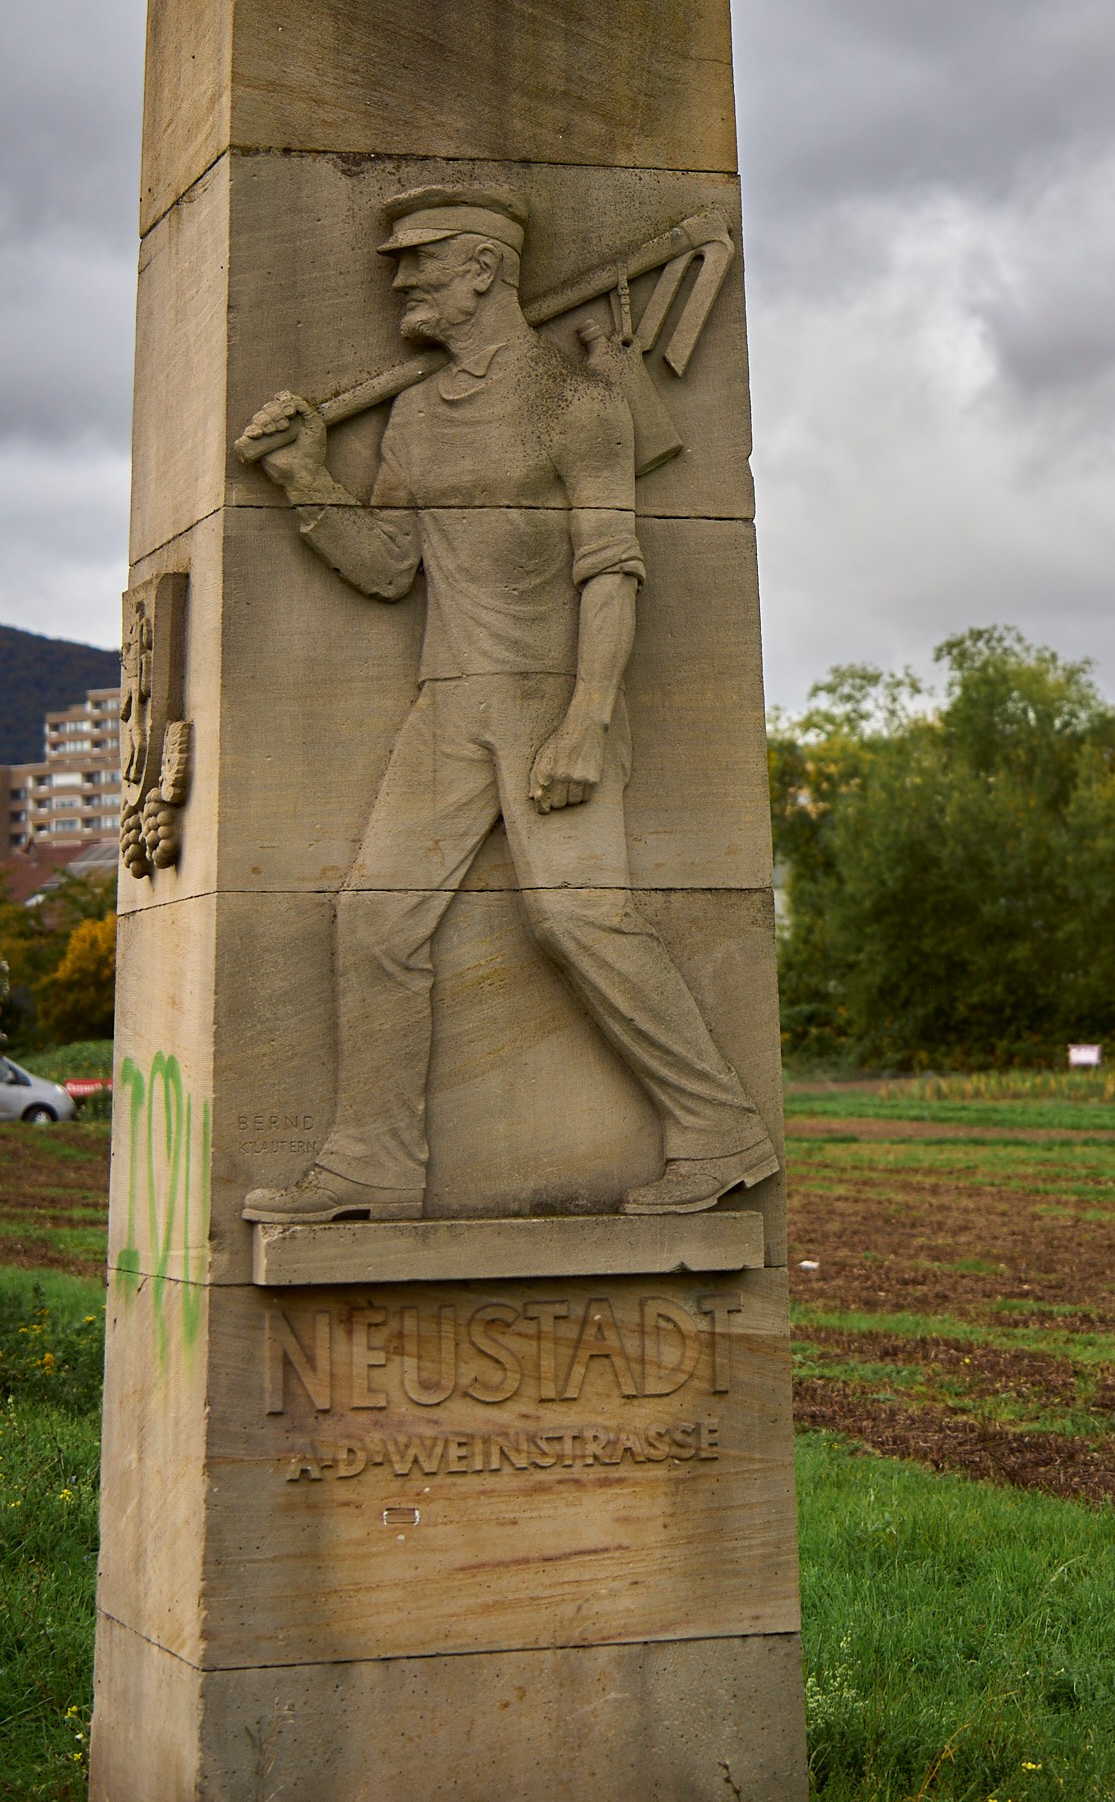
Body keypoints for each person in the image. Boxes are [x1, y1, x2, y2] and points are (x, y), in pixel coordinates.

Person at [232, 183, 777, 1224]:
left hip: (548, 705)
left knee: (578, 921)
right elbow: (391, 567)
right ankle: (373, 1166)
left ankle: (718, 1132)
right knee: (373, 922)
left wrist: (587, 719)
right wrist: (308, 478)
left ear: (482, 268)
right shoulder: (414, 416)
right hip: (447, 706)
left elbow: (610, 571)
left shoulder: (576, 405)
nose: (400, 283)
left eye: (420, 264)